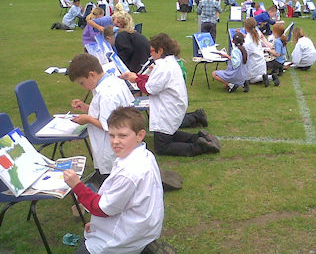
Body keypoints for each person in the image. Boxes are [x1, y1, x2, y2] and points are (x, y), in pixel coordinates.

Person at [63, 106, 164, 254]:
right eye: (111, 135)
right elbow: (121, 202)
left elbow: (102, 209)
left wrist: (77, 186)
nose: (115, 141)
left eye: (122, 136)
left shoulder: (129, 172)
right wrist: (99, 225)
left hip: (125, 239)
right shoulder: (145, 154)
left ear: (140, 135)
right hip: (143, 226)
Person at [121, 33, 221, 157]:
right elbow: (153, 81)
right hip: (171, 105)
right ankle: (199, 137)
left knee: (162, 146)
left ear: (160, 50)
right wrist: (136, 77)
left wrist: (136, 79)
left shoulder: (164, 67)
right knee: (168, 134)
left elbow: (150, 88)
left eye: (152, 51)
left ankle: (199, 146)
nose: (150, 54)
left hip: (168, 108)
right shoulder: (167, 63)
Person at [68, 53, 135, 184]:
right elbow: (105, 112)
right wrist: (86, 107)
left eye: (82, 83)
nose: (82, 87)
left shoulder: (106, 94)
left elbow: (108, 125)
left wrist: (87, 119)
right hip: (121, 138)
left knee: (110, 178)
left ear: (92, 74)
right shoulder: (113, 81)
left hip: (110, 145)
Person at [243, 18, 279, 87]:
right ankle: (270, 77)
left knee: (251, 80)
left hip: (253, 64)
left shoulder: (248, 40)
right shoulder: (257, 34)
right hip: (261, 62)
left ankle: (264, 77)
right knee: (256, 75)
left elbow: (246, 54)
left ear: (246, 27)